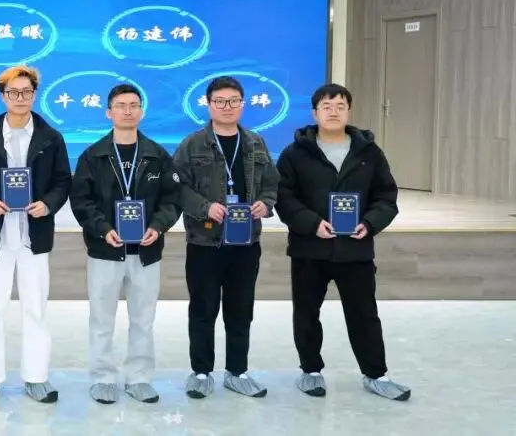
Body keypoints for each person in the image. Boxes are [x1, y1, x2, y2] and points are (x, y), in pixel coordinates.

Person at [274, 83, 410, 401]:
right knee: (306, 313)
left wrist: (370, 223)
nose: (333, 112)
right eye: (326, 106)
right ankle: (310, 371)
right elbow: (284, 197)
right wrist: (312, 223)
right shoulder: (295, 153)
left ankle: (376, 375)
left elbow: (386, 196)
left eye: (340, 106)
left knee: (364, 314)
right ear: (314, 113)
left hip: (355, 249)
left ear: (349, 111)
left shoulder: (369, 153)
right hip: (310, 248)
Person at [0, 65, 72, 405]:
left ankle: (36, 377)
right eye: (13, 92)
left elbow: (62, 181)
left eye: (26, 92)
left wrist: (48, 204)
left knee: (36, 308)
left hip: (33, 235)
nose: (20, 98)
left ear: (35, 94)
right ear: (3, 96)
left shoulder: (51, 137)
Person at [70, 84, 182, 405]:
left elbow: (172, 199)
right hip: (105, 250)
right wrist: (103, 229)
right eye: (121, 105)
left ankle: (139, 378)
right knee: (102, 319)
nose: (128, 111)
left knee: (143, 320)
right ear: (109, 112)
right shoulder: (93, 155)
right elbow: (82, 201)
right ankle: (103, 377)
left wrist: (158, 226)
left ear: (141, 112)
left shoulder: (158, 155)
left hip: (146, 252)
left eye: (134, 105)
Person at [172, 76, 278, 400]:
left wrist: (266, 204)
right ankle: (201, 372)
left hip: (246, 243)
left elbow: (271, 184)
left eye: (233, 101)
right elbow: (177, 187)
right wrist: (205, 207)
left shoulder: (256, 143)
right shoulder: (192, 144)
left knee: (240, 310)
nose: (227, 107)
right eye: (220, 101)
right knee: (203, 309)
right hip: (205, 242)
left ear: (242, 104)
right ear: (209, 105)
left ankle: (237, 372)